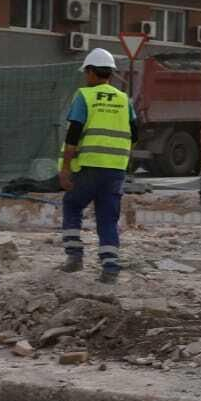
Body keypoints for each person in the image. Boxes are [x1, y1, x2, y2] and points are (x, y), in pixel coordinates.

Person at [58, 47, 138, 283]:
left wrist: (65, 169)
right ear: (111, 73)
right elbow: (134, 134)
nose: (85, 77)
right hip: (115, 169)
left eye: (86, 72)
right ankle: (110, 267)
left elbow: (73, 135)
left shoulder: (84, 96)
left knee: (72, 204)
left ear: (92, 72)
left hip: (89, 167)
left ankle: (74, 256)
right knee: (107, 217)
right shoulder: (124, 100)